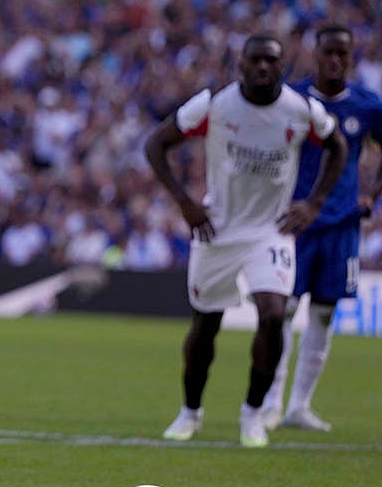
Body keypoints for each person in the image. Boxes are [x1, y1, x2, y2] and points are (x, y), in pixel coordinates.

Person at [143, 33, 347, 448]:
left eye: (271, 61)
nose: (262, 68)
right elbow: (155, 144)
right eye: (255, 61)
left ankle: (253, 414)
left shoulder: (302, 109)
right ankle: (190, 412)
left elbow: (338, 145)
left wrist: (314, 204)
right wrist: (184, 202)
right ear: (241, 66)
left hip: (270, 231)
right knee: (206, 325)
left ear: (282, 67)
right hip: (217, 228)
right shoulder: (215, 106)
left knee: (273, 314)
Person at [261, 24, 382, 431]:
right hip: (295, 222)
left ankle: (298, 407)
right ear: (316, 54)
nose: (336, 60)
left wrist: (373, 192)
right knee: (283, 312)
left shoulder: (367, 105)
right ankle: (271, 403)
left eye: (343, 53)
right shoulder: (294, 99)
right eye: (329, 53)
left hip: (342, 224)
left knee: (323, 314)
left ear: (351, 57)